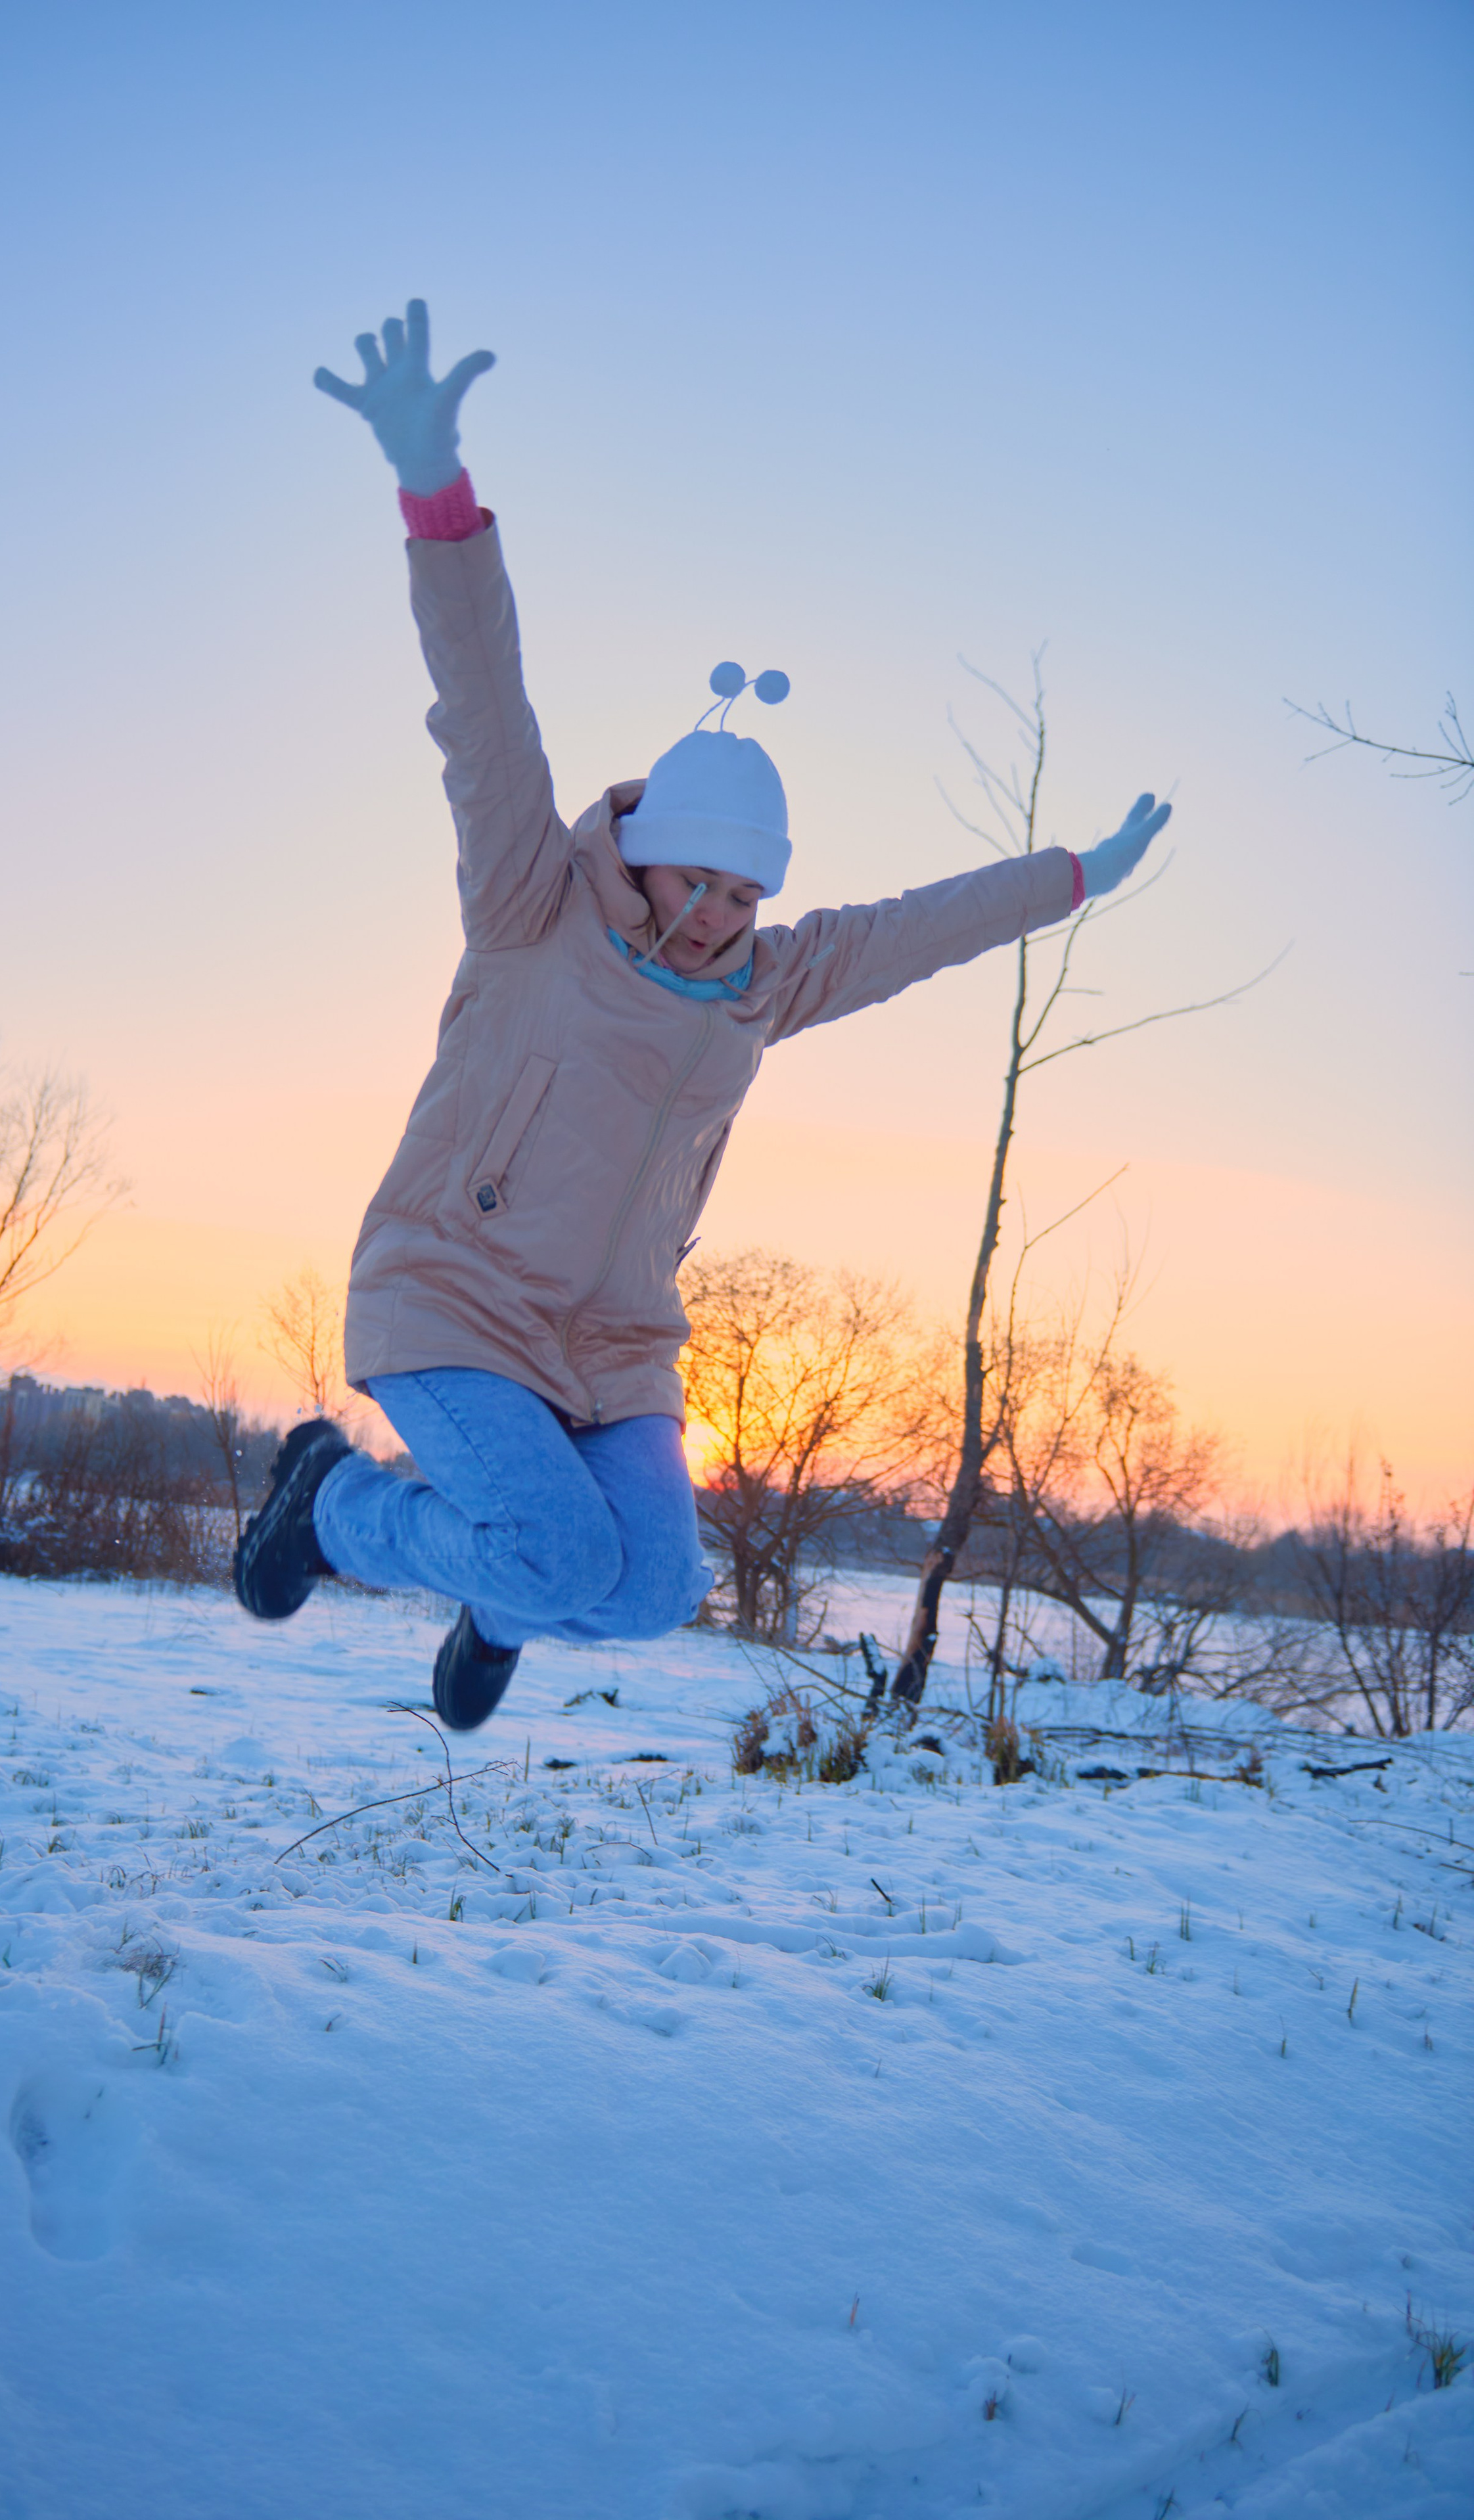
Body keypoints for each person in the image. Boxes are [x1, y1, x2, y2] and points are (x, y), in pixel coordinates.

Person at [233, 300, 1170, 1730]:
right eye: (698, 879)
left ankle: (503, 1598)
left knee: (649, 1590)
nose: (718, 915)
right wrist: (437, 495)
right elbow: (482, 706)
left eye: (746, 893)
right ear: (643, 843)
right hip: (454, 1293)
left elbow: (915, 930)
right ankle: (337, 1504)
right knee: (551, 1553)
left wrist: (1073, 879)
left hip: (611, 1342)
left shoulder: (762, 987)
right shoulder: (530, 899)